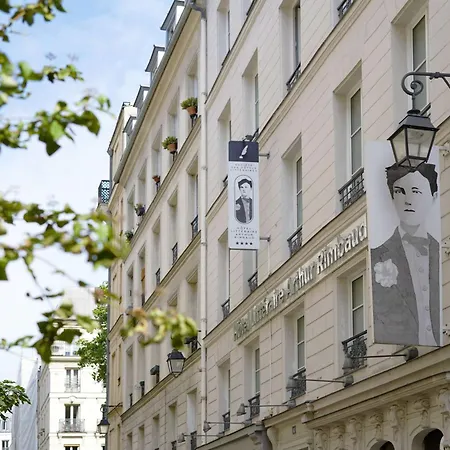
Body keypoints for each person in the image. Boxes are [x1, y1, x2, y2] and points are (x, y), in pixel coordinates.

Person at [371, 163, 440, 347]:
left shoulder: (443, 251)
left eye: (416, 191)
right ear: (392, 197)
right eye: (400, 192)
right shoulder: (377, 257)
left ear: (434, 197)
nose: (408, 200)